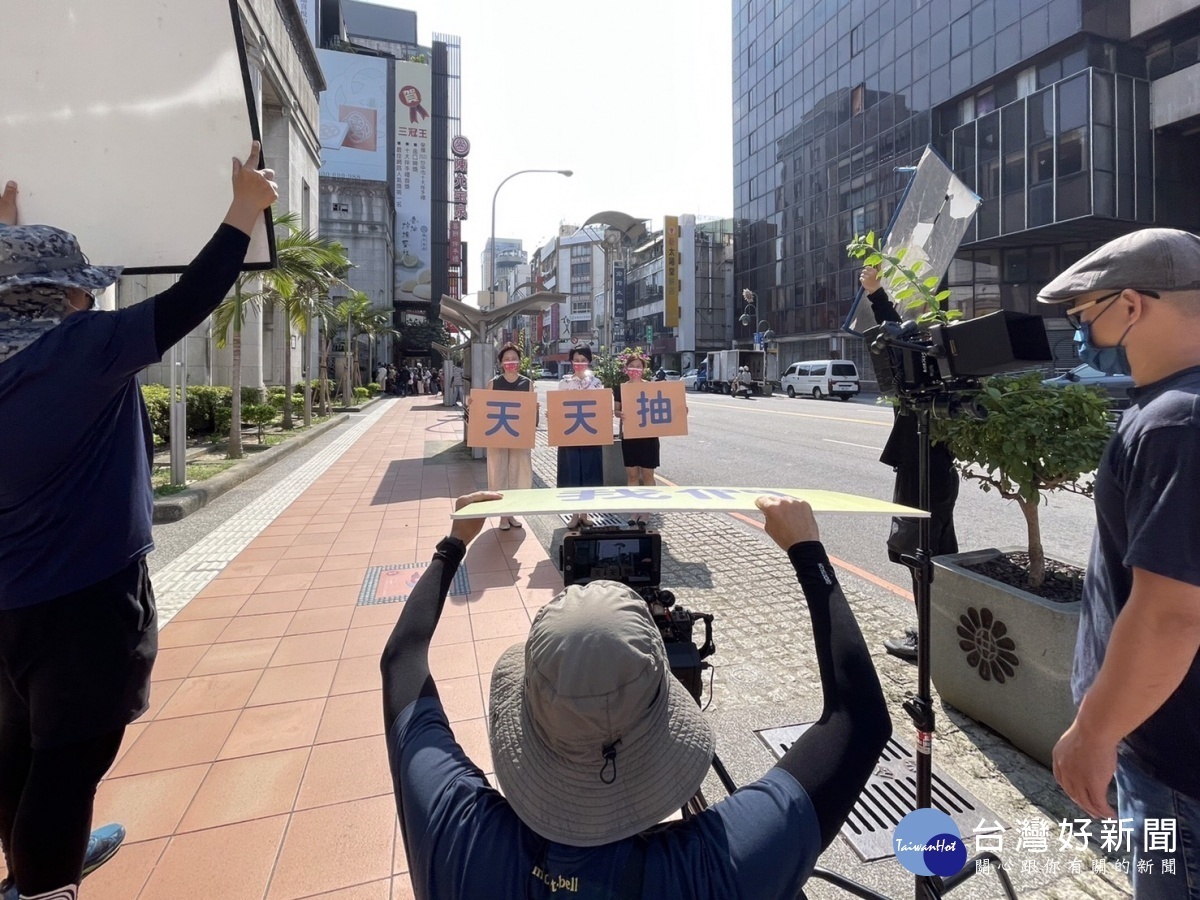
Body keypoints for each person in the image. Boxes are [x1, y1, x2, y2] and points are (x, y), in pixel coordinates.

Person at [0, 146, 277, 900]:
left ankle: (32, 869)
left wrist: (8, 238)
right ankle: (47, 883)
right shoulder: (81, 350)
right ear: (64, 297)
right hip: (87, 600)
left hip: (9, 605)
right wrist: (243, 211)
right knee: (68, 765)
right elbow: (190, 298)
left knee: (19, 751)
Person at [382, 491, 891, 900]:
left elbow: (401, 660)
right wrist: (807, 551)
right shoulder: (718, 866)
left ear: (526, 710)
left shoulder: (456, 833)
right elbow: (860, 721)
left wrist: (454, 543)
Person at [1036, 230, 1200, 899]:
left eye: (1084, 314)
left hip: (1172, 766)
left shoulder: (1175, 424)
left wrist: (1096, 732)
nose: (1080, 330)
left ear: (1131, 306)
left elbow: (1169, 614)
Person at [860, 266, 960, 662]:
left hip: (924, 473)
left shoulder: (930, 377)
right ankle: (935, 628)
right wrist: (876, 294)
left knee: (919, 555)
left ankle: (930, 641)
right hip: (934, 471)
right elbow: (898, 335)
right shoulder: (944, 374)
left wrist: (877, 295)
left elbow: (898, 339)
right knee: (938, 555)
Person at [474, 343, 534, 532]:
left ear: (519, 362)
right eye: (506, 359)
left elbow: (531, 412)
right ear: (501, 363)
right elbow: (485, 409)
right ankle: (503, 516)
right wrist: (474, 405)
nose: (510, 362)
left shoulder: (527, 383)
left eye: (513, 358)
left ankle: (513, 512)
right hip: (498, 435)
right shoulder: (494, 382)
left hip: (518, 436)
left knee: (518, 473)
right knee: (498, 472)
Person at [556, 345, 605, 529]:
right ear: (571, 362)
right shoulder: (564, 384)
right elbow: (558, 408)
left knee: (589, 474)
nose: (579, 363)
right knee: (572, 474)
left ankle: (585, 513)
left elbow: (602, 409)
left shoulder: (597, 383)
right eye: (576, 360)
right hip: (569, 436)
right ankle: (574, 515)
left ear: (589, 361)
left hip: (591, 435)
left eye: (583, 360)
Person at [612, 349, 660, 525]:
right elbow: (616, 410)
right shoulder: (621, 389)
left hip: (648, 436)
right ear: (626, 368)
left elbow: (665, 407)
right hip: (630, 436)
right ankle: (634, 512)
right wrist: (619, 413)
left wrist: (679, 411)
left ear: (644, 369)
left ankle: (646, 513)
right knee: (632, 475)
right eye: (631, 366)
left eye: (638, 366)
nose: (634, 369)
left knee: (648, 475)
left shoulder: (651, 387)